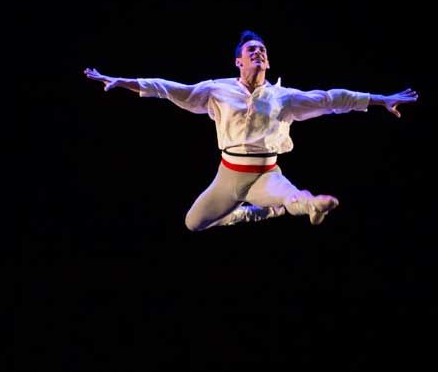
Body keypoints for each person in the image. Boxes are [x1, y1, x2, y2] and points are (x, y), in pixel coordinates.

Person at [84, 30, 418, 231]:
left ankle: (314, 205)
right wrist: (124, 82)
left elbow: (331, 99)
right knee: (192, 223)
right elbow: (172, 89)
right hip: (227, 175)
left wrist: (381, 99)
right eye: (251, 50)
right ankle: (253, 215)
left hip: (265, 173)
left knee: (293, 197)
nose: (258, 53)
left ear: (268, 63)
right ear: (239, 62)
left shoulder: (282, 98)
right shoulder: (217, 90)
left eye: (263, 51)